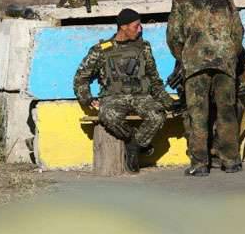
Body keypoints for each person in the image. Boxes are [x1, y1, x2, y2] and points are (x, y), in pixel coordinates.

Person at [73, 9, 174, 173]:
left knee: (157, 115)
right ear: (123, 27)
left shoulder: (143, 47)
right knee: (109, 115)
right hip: (114, 97)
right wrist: (87, 98)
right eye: (136, 26)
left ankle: (135, 146)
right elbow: (81, 77)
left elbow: (154, 80)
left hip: (141, 96)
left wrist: (168, 102)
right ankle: (130, 138)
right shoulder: (102, 50)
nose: (140, 29)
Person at [166, 0, 244, 176]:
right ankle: (231, 161)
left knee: (197, 113)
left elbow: (174, 36)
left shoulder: (181, 1)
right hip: (225, 62)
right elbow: (238, 32)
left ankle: (200, 164)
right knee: (227, 111)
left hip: (195, 64)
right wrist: (229, 56)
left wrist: (184, 57)